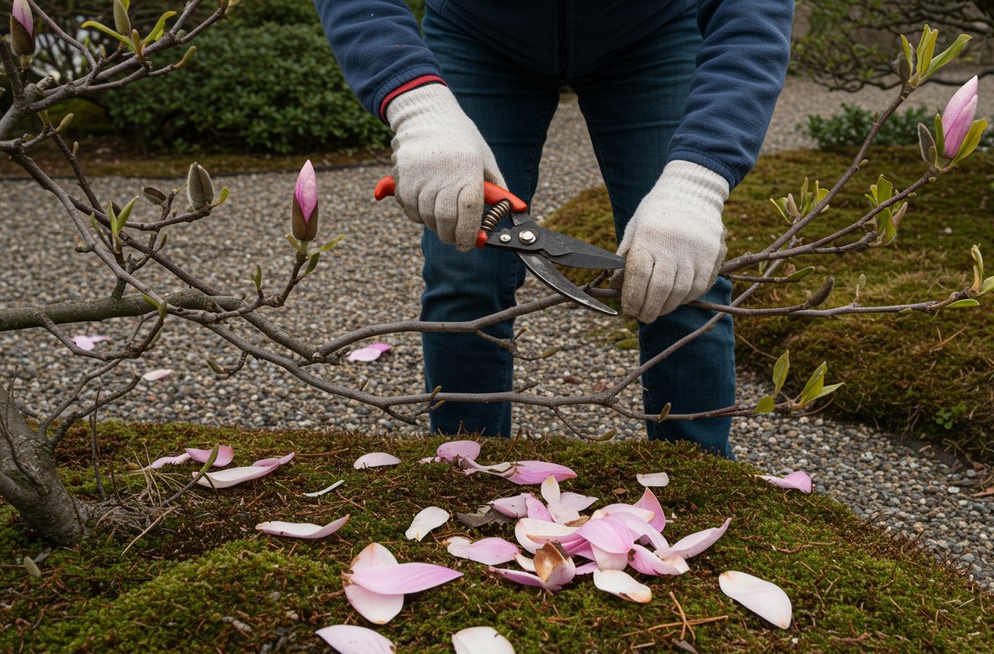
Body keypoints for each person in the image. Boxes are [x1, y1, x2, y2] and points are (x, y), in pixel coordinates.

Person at [314, 1, 794, 457]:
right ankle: (462, 471)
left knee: (682, 279)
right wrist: (418, 106)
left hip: (654, 30)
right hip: (478, 32)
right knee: (464, 275)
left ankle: (701, 480)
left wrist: (698, 182)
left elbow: (751, 17)